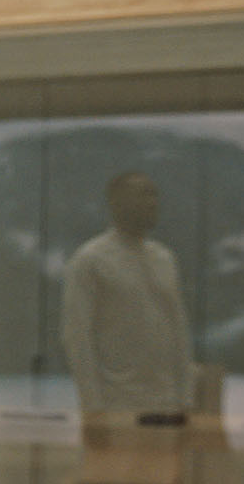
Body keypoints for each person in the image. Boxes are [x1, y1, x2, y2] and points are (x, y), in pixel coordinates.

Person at [61, 171, 194, 419]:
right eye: (143, 195)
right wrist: (92, 407)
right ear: (116, 203)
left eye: (154, 195)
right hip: (117, 404)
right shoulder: (90, 260)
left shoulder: (164, 258)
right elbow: (78, 337)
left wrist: (185, 398)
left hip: (167, 404)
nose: (152, 203)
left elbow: (179, 330)